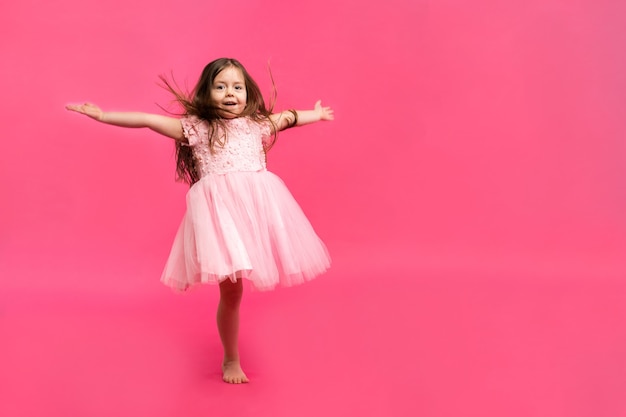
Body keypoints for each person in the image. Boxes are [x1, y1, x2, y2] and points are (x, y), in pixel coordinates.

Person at [66, 57, 333, 384]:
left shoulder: (256, 125)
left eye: (237, 87)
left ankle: (232, 355)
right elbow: (148, 120)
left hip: (257, 212)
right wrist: (104, 116)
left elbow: (288, 117)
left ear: (248, 94)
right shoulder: (196, 127)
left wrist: (316, 115)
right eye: (220, 87)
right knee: (232, 294)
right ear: (207, 93)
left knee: (240, 290)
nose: (229, 93)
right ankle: (231, 358)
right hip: (220, 219)